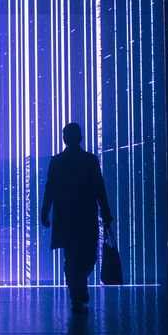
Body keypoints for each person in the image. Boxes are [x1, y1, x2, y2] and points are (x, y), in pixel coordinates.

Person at [40, 123, 113, 314]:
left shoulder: (60, 161)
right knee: (84, 256)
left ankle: (77, 289)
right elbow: (99, 189)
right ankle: (77, 293)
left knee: (76, 258)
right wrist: (106, 212)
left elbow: (50, 189)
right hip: (84, 216)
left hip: (67, 216)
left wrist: (45, 212)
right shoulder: (88, 160)